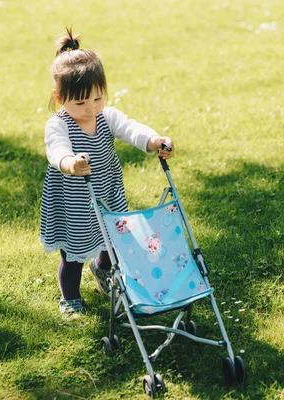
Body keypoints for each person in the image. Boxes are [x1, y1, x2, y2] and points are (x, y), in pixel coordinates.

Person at [40, 28, 174, 317]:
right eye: (80, 103)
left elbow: (131, 129)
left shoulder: (106, 116)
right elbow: (56, 149)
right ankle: (71, 298)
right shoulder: (58, 125)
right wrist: (69, 162)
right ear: (59, 96)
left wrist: (153, 141)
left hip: (107, 189)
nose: (90, 108)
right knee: (73, 252)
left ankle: (101, 269)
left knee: (114, 238)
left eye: (97, 99)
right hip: (73, 198)